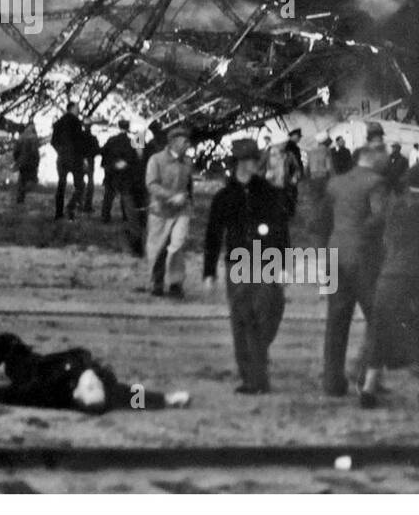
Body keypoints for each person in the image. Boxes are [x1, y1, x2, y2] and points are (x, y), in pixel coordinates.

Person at [360, 153, 419, 410]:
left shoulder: (395, 206)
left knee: (380, 334)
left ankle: (368, 391)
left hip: (390, 276)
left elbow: (385, 241)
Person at [204, 138, 289, 394]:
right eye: (251, 160)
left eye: (256, 159)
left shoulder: (269, 192)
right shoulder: (224, 197)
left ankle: (256, 361)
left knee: (271, 313)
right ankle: (253, 378)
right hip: (238, 262)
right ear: (240, 163)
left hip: (266, 261)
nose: (255, 164)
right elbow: (213, 234)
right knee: (242, 320)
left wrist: (284, 264)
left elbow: (280, 230)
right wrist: (209, 272)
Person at [0, 333, 190, 414]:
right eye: (98, 389)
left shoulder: (52, 389)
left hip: (22, 363)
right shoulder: (108, 387)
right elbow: (135, 396)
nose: (94, 384)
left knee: (6, 342)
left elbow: (18, 396)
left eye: (89, 389)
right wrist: (167, 399)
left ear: (76, 393)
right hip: (52, 357)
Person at [320, 141, 388, 396]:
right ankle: (364, 375)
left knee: (336, 320)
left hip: (335, 254)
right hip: (364, 258)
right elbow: (380, 216)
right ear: (373, 158)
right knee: (377, 316)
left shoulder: (335, 183)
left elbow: (321, 220)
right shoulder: (376, 183)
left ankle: (332, 382)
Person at [144, 125, 194, 298]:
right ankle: (157, 283)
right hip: (160, 212)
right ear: (173, 142)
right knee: (158, 249)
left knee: (177, 246)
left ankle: (175, 283)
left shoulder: (188, 162)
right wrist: (171, 196)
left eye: (188, 141)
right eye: (184, 141)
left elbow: (189, 186)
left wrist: (188, 201)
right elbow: (151, 184)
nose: (188, 145)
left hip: (182, 211)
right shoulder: (156, 160)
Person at [99, 120, 142, 255]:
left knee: (109, 195)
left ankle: (105, 217)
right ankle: (128, 220)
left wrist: (111, 165)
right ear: (128, 127)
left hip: (112, 172)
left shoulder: (112, 140)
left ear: (119, 127)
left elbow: (104, 153)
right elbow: (138, 157)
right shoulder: (135, 138)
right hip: (126, 174)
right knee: (127, 197)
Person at [51, 101, 86, 221]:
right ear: (71, 108)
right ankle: (70, 207)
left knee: (61, 185)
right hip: (75, 158)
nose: (79, 110)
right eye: (77, 108)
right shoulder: (76, 123)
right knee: (80, 186)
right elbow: (80, 142)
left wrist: (60, 151)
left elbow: (53, 142)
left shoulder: (58, 123)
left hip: (62, 158)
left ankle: (58, 213)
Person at [12, 122, 40, 205]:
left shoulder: (21, 137)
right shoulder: (34, 137)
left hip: (22, 162)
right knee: (33, 180)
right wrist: (37, 161)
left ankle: (20, 199)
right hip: (31, 163)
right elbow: (35, 152)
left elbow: (15, 151)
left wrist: (17, 160)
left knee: (22, 180)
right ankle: (23, 192)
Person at [280, 129, 305, 216]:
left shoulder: (286, 146)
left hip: (285, 175)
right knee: (291, 194)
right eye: (298, 137)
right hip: (290, 174)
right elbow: (296, 163)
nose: (299, 139)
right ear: (293, 136)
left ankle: (288, 212)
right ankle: (291, 213)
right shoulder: (292, 147)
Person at [80, 123, 100, 212]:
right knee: (90, 184)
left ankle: (79, 203)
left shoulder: (79, 137)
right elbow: (97, 150)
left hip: (79, 161)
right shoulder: (93, 138)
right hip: (90, 161)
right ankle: (88, 205)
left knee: (79, 183)